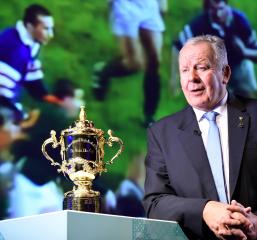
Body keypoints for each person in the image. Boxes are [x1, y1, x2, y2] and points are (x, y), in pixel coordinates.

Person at [143, 35, 257, 239]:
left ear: (225, 73)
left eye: (201, 67)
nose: (191, 78)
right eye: (184, 70)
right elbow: (155, 203)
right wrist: (205, 209)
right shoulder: (162, 133)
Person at [7, 79, 84, 218]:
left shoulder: (38, 111)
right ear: (67, 99)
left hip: (25, 178)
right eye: (77, 100)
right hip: (39, 184)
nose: (78, 106)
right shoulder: (62, 123)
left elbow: (19, 140)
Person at [92, 0, 167, 127]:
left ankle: (149, 116)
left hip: (149, 5)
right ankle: (103, 71)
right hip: (125, 6)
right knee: (134, 64)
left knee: (154, 61)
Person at [170, 0, 257, 97]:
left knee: (246, 67)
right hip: (213, 68)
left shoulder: (240, 21)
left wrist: (244, 51)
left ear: (226, 4)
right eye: (214, 9)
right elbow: (178, 45)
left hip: (237, 66)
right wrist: (177, 78)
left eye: (221, 9)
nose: (218, 14)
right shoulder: (200, 24)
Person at [0, 4, 62, 124]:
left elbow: (30, 72)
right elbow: (3, 94)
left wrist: (45, 95)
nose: (51, 35)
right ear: (30, 26)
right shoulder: (14, 50)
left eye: (51, 29)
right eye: (46, 29)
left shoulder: (30, 42)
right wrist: (20, 113)